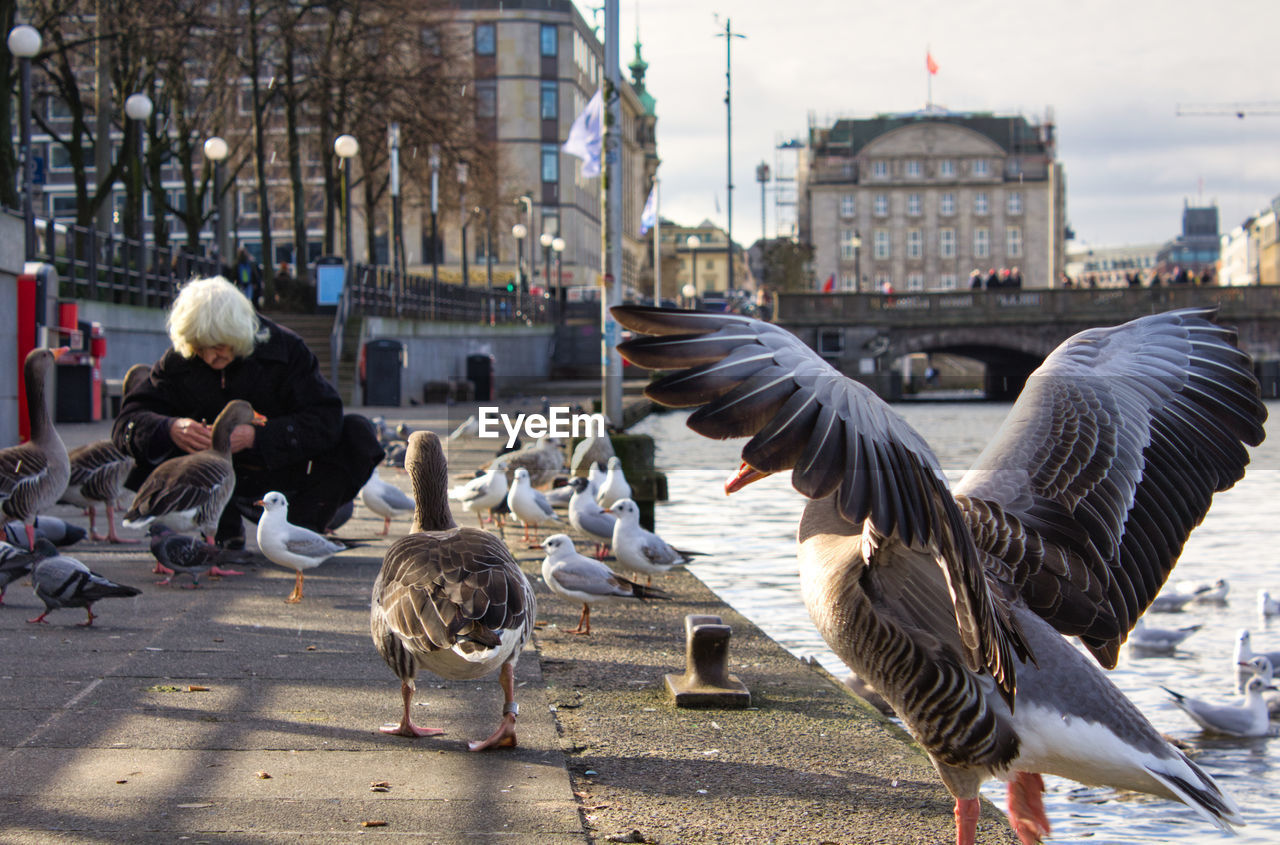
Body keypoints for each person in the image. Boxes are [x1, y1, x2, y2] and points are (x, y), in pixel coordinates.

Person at [113, 276, 384, 547]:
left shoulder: (286, 351)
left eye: (219, 346)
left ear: (238, 334)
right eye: (199, 347)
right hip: (206, 483)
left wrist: (257, 438)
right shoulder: (176, 362)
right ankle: (222, 531)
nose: (209, 358)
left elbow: (326, 418)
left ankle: (302, 528)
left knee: (358, 433)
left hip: (282, 474)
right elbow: (127, 423)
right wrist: (169, 428)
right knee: (148, 439)